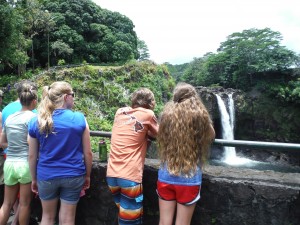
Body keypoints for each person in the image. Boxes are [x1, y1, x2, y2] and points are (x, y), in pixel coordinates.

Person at [28, 81, 92, 225]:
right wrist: (87, 175)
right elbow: (88, 153)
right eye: (72, 95)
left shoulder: (36, 121)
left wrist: (34, 179)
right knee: (68, 219)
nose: (74, 98)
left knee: (47, 218)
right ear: (65, 97)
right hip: (73, 174)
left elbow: (32, 155)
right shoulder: (79, 118)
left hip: (46, 175)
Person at [156, 83, 215, 225]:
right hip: (189, 178)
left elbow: (159, 135)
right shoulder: (200, 115)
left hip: (166, 175)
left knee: (164, 222)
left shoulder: (166, 115)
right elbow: (211, 135)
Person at [106, 87, 159, 225]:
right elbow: (158, 135)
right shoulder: (148, 114)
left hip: (112, 176)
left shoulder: (120, 112)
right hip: (130, 177)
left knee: (124, 214)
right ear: (151, 103)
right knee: (130, 221)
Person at [0, 82, 38, 225]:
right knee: (24, 204)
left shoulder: (10, 118)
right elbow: (30, 142)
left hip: (9, 164)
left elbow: (2, 142)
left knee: (6, 204)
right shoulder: (33, 118)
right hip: (25, 164)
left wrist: (15, 145)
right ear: (34, 101)